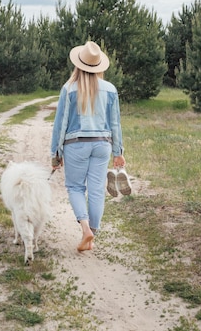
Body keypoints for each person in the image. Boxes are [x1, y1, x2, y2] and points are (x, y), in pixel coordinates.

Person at [50, 40, 127, 252]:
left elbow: (61, 124)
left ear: (78, 64)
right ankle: (92, 235)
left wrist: (56, 154)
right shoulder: (110, 89)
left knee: (75, 187)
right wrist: (118, 152)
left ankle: (85, 230)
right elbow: (115, 124)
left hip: (76, 145)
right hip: (102, 145)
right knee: (96, 190)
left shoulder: (69, 89)